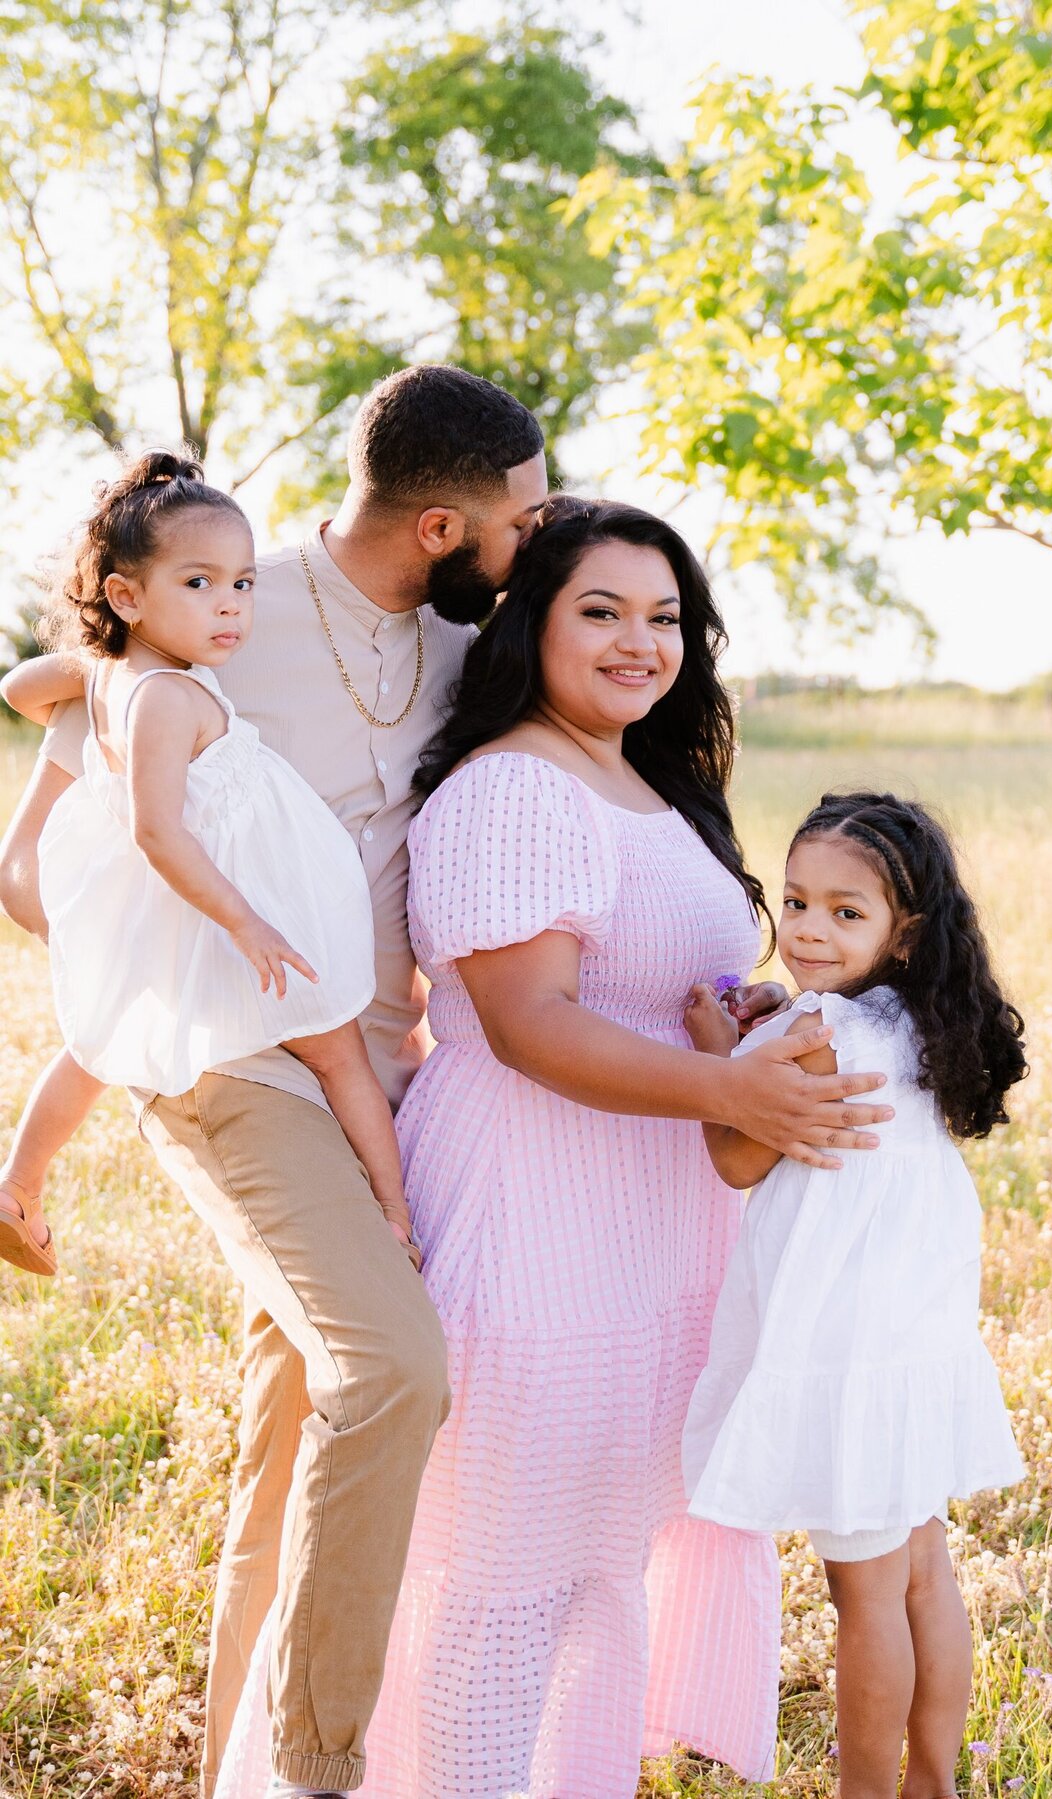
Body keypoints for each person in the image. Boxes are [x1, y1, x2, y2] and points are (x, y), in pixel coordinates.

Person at [211, 496, 899, 1799]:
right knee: (497, 1586)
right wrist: (735, 1090)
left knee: (598, 1579)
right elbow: (529, 1026)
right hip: (534, 1224)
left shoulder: (639, 781)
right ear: (532, 624)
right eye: (603, 609)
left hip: (644, 1239)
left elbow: (643, 990)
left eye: (666, 616)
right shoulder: (515, 784)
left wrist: (740, 1025)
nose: (642, 640)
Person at [0, 364, 551, 1799]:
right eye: (525, 518)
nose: (537, 543)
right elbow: (40, 831)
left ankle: (231, 1770)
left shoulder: (454, 655)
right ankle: (314, 1767)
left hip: (380, 1069)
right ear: (444, 522)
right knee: (390, 1369)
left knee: (298, 1413)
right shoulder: (219, 604)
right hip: (238, 1061)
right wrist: (171, 958)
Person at [681, 791, 1028, 1799]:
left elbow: (737, 1154)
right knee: (924, 1571)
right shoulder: (914, 1020)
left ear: (903, 930)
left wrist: (714, 1045)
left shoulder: (822, 1024)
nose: (806, 930)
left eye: (845, 911)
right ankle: (933, 1780)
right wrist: (772, 1018)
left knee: (865, 1597)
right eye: (794, 902)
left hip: (842, 1352)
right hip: (913, 1337)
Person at [0, 449, 419, 1280]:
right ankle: (396, 1217)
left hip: (177, 901)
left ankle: (20, 1183)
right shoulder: (161, 695)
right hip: (223, 902)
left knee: (96, 1041)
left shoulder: (122, 674)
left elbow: (19, 686)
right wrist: (247, 921)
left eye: (242, 583)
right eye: (199, 584)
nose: (229, 606)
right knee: (340, 1050)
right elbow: (159, 830)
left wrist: (93, 661)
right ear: (125, 595)